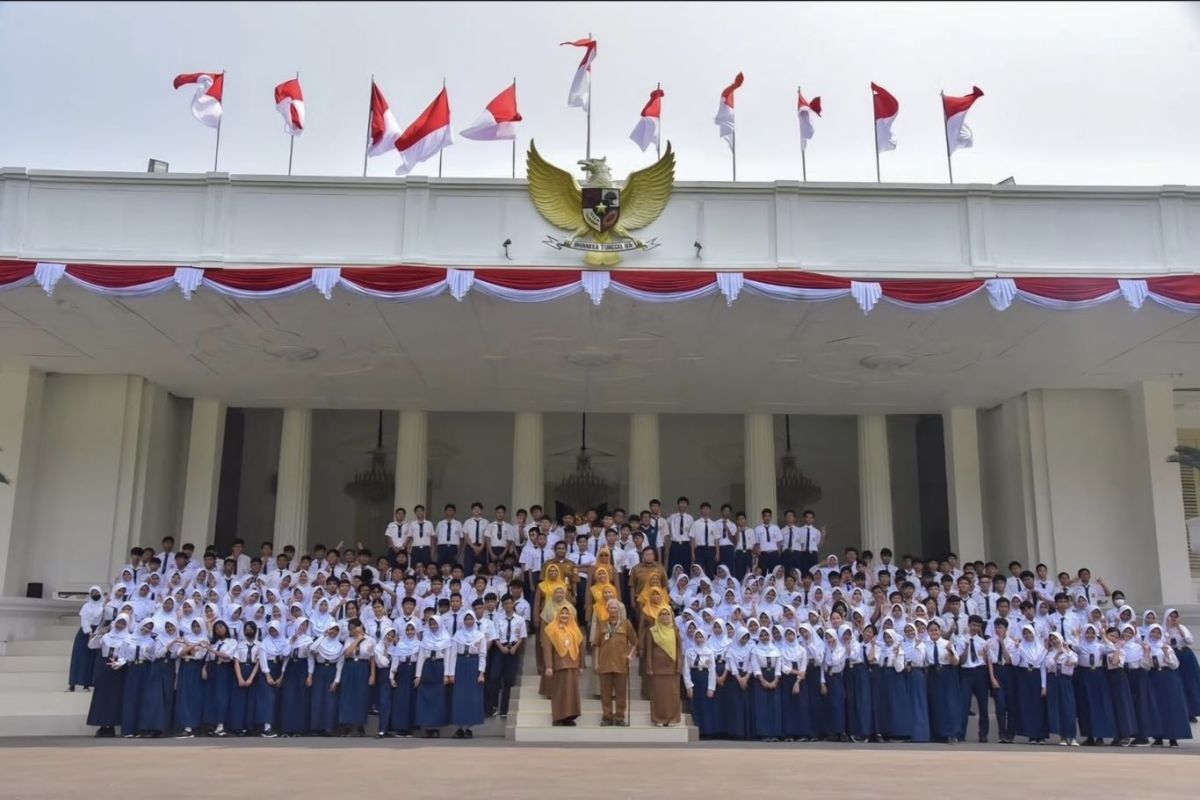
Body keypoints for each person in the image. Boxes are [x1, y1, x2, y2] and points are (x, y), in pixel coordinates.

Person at [592, 599, 636, 727]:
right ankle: (607, 717)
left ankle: (620, 717)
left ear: (619, 610)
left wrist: (630, 655)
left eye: (615, 608)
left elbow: (635, 642)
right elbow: (596, 645)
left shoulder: (626, 624)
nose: (613, 610)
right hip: (604, 663)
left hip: (621, 664)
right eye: (610, 608)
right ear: (607, 610)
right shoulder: (602, 624)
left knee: (620, 693)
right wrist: (596, 663)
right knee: (605, 693)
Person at [86, 614, 129, 737]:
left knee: (114, 698)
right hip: (104, 668)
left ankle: (112, 725)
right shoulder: (106, 637)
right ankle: (102, 725)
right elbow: (91, 645)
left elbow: (127, 655)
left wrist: (120, 663)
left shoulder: (127, 638)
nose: (120, 626)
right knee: (102, 697)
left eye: (123, 623)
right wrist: (99, 633)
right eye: (119, 623)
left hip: (118, 670)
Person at [641, 606, 683, 727]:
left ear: (671, 616)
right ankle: (658, 718)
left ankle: (672, 719)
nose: (664, 617)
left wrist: (679, 665)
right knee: (658, 694)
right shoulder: (652, 630)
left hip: (672, 667)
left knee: (673, 694)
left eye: (667, 614)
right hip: (657, 667)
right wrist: (649, 667)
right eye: (662, 614)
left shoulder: (675, 630)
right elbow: (649, 650)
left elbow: (679, 649)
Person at [448, 610, 487, 738]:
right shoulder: (457, 635)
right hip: (460, 665)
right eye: (466, 619)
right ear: (463, 621)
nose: (469, 622)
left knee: (472, 697)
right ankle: (459, 727)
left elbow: (482, 655)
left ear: (474, 620)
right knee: (459, 697)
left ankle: (469, 728)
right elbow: (452, 655)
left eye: (471, 619)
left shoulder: (480, 636)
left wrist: (481, 673)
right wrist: (451, 673)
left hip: (473, 666)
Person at [542, 605, 583, 726]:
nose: (564, 616)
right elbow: (547, 649)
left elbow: (581, 648)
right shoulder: (551, 629)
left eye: (567, 613)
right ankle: (558, 717)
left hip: (573, 665)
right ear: (558, 615)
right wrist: (549, 666)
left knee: (572, 693)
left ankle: (569, 717)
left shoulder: (575, 629)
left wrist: (581, 665)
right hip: (559, 665)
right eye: (562, 613)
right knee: (559, 692)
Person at [414, 615, 451, 737]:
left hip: (439, 668)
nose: (433, 626)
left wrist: (446, 674)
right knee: (426, 698)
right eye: (431, 624)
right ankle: (428, 727)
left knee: (438, 698)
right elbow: (421, 657)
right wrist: (418, 675)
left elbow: (448, 658)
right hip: (428, 667)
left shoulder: (446, 639)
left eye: (435, 624)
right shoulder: (426, 638)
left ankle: (436, 727)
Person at [336, 619, 374, 736]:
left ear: (361, 626)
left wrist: (372, 675)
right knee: (348, 695)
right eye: (351, 629)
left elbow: (372, 658)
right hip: (350, 666)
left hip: (362, 667)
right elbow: (347, 653)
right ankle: (347, 725)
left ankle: (360, 725)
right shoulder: (349, 640)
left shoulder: (370, 640)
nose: (353, 630)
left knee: (361, 696)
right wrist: (357, 640)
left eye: (355, 627)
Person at [307, 621, 344, 736]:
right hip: (320, 670)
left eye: (336, 630)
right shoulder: (320, 642)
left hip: (332, 671)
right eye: (332, 629)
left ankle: (329, 727)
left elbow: (340, 664)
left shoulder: (339, 646)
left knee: (330, 700)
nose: (334, 632)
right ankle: (316, 727)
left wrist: (336, 680)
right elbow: (312, 649)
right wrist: (323, 635)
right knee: (317, 699)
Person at [279, 618, 312, 737]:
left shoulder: (308, 640)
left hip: (302, 668)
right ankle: (287, 729)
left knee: (300, 698)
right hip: (291, 668)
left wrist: (309, 675)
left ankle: (299, 729)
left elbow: (310, 659)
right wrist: (291, 642)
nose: (302, 627)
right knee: (289, 698)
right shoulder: (290, 639)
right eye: (301, 625)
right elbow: (285, 655)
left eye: (305, 625)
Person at [386, 622, 421, 737]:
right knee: (401, 700)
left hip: (413, 671)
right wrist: (391, 677)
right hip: (402, 672)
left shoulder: (419, 644)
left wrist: (418, 676)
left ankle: (411, 728)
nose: (410, 632)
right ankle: (401, 728)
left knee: (412, 700)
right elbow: (395, 661)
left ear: (415, 631)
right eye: (408, 630)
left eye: (412, 630)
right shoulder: (400, 645)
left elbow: (421, 661)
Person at [1044, 630, 1079, 745]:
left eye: (1056, 639)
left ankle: (1072, 736)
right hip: (1054, 681)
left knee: (1069, 708)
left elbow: (1074, 661)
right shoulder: (1049, 653)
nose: (1054, 641)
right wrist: (1057, 655)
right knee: (1059, 709)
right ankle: (1063, 737)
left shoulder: (1069, 652)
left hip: (1066, 681)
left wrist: (1066, 650)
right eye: (1052, 639)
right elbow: (1049, 665)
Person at [71, 586, 106, 692]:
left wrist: (96, 633)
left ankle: (88, 684)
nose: (95, 595)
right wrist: (89, 632)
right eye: (93, 593)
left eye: (97, 592)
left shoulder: (104, 606)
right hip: (85, 632)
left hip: (98, 632)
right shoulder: (86, 606)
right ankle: (73, 683)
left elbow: (100, 619)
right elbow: (84, 620)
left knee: (93, 659)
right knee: (80, 657)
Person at [749, 626, 781, 740]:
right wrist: (762, 680)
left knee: (774, 706)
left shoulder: (776, 650)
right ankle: (764, 733)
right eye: (762, 635)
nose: (764, 637)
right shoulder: (755, 650)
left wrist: (776, 680)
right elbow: (755, 666)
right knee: (762, 706)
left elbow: (778, 666)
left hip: (774, 678)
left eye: (766, 635)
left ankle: (775, 733)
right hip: (760, 679)